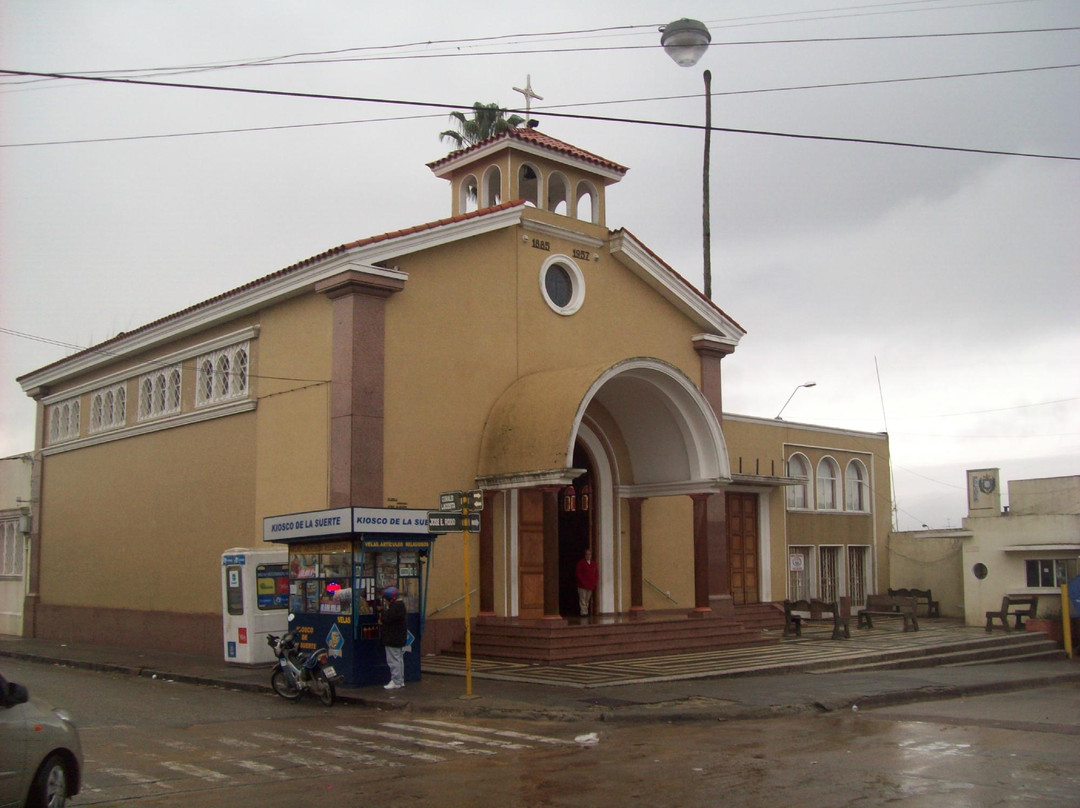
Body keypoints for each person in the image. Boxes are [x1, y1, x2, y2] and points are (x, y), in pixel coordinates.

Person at [379, 585, 408, 689]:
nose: (386, 602)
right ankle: (400, 680)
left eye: (386, 600)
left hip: (393, 638)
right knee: (399, 659)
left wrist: (381, 612)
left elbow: (386, 618)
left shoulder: (396, 608)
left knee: (393, 660)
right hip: (399, 638)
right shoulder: (400, 606)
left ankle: (396, 681)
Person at [575, 547, 598, 617]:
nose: (588, 556)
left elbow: (596, 574)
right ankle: (583, 613)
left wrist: (594, 582)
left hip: (590, 585)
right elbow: (578, 573)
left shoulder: (593, 564)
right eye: (587, 554)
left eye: (589, 554)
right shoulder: (581, 563)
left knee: (587, 600)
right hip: (582, 585)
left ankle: (586, 611)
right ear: (585, 555)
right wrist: (582, 582)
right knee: (582, 599)